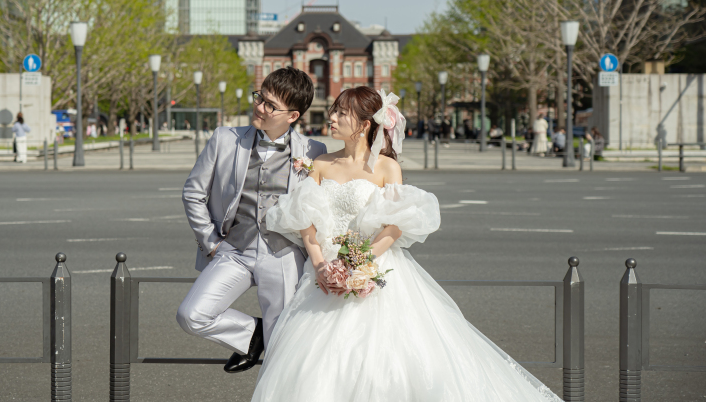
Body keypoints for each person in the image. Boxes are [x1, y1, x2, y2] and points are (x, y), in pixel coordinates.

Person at [251, 87, 562, 402]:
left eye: (341, 113)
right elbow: (304, 219)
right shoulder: (321, 163)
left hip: (373, 264)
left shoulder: (387, 168)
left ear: (364, 124)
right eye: (334, 111)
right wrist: (320, 264)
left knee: (385, 360)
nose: (332, 118)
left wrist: (358, 262)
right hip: (323, 272)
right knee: (313, 363)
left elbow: (395, 225)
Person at [177, 67, 327, 374]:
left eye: (270, 105)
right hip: (234, 249)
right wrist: (211, 242)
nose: (259, 107)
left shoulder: (314, 151)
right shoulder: (225, 139)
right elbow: (193, 193)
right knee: (192, 314)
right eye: (260, 97)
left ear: (293, 116)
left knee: (280, 347)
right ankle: (251, 335)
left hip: (283, 254)